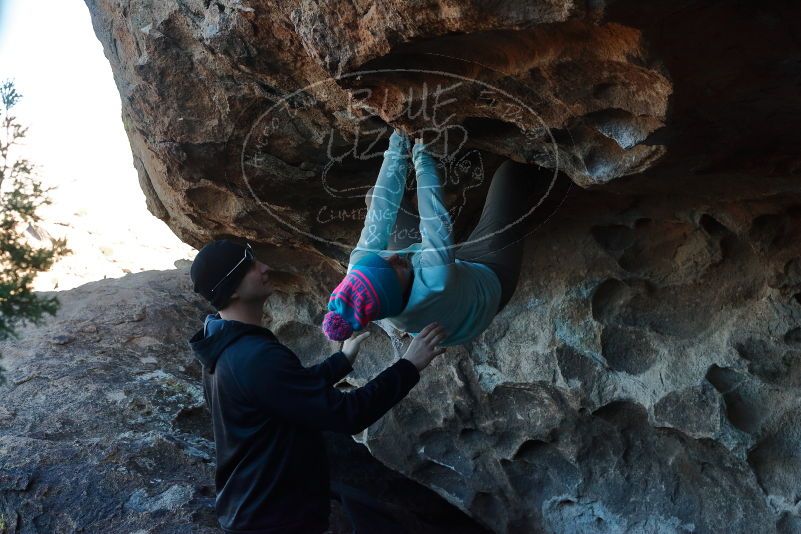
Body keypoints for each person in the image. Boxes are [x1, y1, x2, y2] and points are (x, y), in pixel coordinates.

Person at [188, 239, 447, 533]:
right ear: (231, 290)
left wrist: (340, 361)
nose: (265, 267)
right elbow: (349, 414)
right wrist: (409, 365)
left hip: (251, 510)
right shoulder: (254, 356)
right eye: (249, 266)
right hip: (275, 521)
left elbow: (284, 393)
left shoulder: (222, 345)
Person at [322, 128, 552, 346]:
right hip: (486, 282)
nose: (392, 258)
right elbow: (434, 216)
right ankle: (546, 175)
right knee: (510, 174)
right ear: (398, 290)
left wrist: (400, 139)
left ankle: (445, 250)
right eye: (394, 268)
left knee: (374, 198)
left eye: (382, 258)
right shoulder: (435, 280)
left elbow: (381, 211)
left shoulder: (360, 271)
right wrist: (422, 155)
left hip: (444, 272)